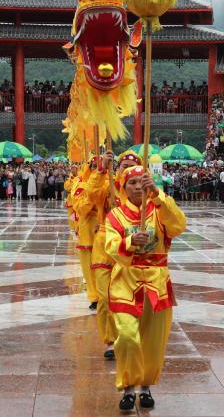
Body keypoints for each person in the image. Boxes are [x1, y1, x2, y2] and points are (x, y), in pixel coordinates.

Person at [105, 165, 187, 411]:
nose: (138, 187)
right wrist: (129, 242)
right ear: (123, 187)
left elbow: (179, 225)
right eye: (132, 183)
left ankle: (145, 387)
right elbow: (110, 246)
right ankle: (128, 387)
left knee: (153, 340)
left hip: (157, 282)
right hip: (125, 281)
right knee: (128, 337)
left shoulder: (159, 210)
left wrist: (159, 196)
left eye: (142, 182)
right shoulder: (115, 216)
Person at [89, 151, 140, 361]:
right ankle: (110, 340)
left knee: (129, 295)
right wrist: (101, 170)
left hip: (130, 247)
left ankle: (128, 335)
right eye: (122, 165)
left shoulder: (140, 191)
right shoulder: (107, 187)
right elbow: (91, 196)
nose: (125, 169)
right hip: (104, 245)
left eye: (130, 166)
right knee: (104, 298)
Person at [72, 157, 101, 310]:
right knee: (89, 269)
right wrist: (92, 197)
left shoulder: (111, 183)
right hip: (87, 234)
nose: (97, 169)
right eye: (94, 166)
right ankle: (94, 297)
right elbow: (80, 208)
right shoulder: (81, 186)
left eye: (100, 166)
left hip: (106, 232)